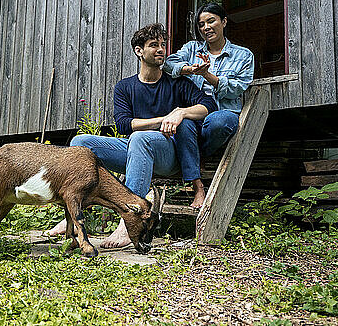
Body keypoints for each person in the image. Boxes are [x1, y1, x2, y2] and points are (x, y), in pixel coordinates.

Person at [45, 23, 217, 248]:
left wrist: (181, 113)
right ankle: (74, 216)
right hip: (136, 148)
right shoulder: (125, 87)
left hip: (169, 153)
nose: (161, 50)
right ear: (139, 51)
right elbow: (125, 125)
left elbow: (209, 105)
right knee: (81, 143)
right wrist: (163, 119)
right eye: (153, 45)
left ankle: (128, 223)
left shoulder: (177, 83)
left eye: (163, 45)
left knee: (140, 138)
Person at [162, 3, 254, 208]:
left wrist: (207, 75)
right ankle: (198, 188)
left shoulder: (243, 55)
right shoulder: (192, 48)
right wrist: (189, 69)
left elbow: (237, 88)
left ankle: (196, 153)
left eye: (211, 21)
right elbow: (168, 64)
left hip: (222, 111)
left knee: (220, 121)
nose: (206, 27)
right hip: (195, 111)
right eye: (201, 24)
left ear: (224, 21)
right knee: (184, 124)